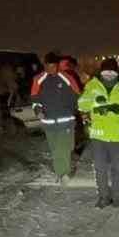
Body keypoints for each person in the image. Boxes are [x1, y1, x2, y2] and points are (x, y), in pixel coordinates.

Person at [78, 57, 119, 208]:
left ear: (117, 72)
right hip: (99, 136)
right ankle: (103, 198)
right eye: (106, 71)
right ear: (101, 72)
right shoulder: (92, 86)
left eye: (112, 71)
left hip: (118, 136)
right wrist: (94, 104)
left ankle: (118, 199)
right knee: (100, 169)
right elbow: (81, 104)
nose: (109, 74)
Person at [31, 52, 81, 183]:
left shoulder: (67, 78)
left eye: (54, 66)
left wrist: (73, 111)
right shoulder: (38, 79)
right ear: (45, 65)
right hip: (48, 122)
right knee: (55, 149)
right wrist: (38, 110)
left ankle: (62, 174)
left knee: (62, 148)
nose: (51, 69)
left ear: (57, 65)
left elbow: (77, 96)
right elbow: (35, 99)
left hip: (66, 120)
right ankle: (63, 170)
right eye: (48, 66)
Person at [0, 60, 19, 132]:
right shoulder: (4, 70)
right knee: (8, 110)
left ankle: (2, 126)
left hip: (1, 93)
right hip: (4, 93)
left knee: (3, 110)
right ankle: (8, 127)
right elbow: (11, 83)